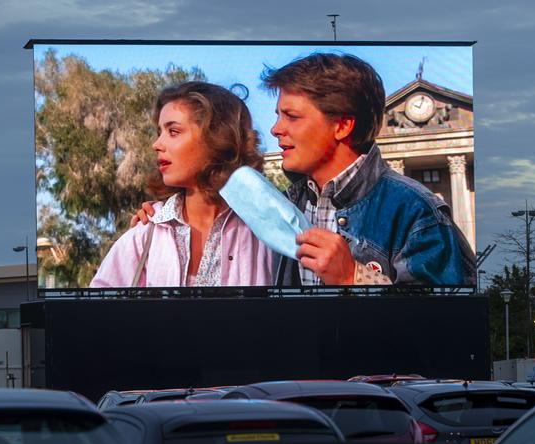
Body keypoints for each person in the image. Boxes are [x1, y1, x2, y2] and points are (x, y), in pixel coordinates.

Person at [132, 53, 476, 287]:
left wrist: (355, 278)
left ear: (342, 126)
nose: (275, 130)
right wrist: (164, 221)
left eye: (291, 116)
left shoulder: (417, 211)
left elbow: (444, 332)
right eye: (278, 115)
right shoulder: (284, 206)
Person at [89, 82, 273, 288]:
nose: (157, 144)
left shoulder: (266, 230)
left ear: (218, 137)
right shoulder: (146, 232)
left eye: (173, 132)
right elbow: (96, 312)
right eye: (159, 132)